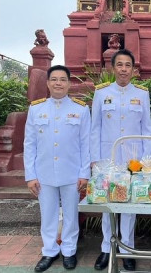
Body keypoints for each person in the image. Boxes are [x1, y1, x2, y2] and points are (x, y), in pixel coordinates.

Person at [24, 65, 91, 272]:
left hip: (71, 172)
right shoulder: (36, 109)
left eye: (63, 79)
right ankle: (49, 251)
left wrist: (84, 173)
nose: (58, 83)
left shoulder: (80, 109)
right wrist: (30, 175)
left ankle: (69, 251)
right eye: (54, 79)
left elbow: (85, 144)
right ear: (48, 83)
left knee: (71, 214)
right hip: (44, 172)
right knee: (48, 214)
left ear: (69, 83)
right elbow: (29, 144)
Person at [90, 49, 151, 271]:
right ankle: (106, 248)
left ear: (133, 70)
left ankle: (127, 250)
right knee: (108, 203)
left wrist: (146, 160)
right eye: (120, 65)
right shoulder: (101, 93)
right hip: (108, 158)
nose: (124, 69)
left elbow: (147, 127)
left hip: (133, 159)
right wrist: (94, 159)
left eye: (128, 65)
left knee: (129, 205)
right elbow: (94, 128)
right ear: (113, 68)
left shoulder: (142, 94)